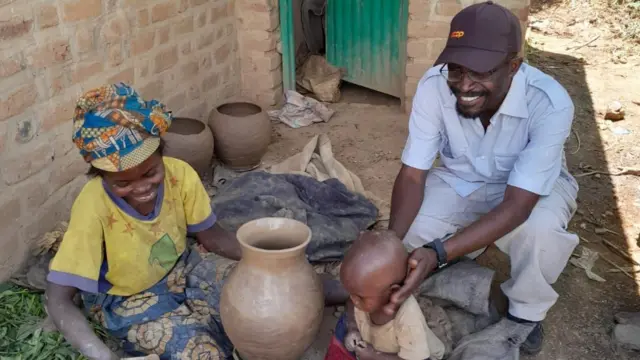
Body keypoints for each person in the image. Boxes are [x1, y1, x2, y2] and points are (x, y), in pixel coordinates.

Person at [384, 1, 579, 356]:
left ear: (514, 67)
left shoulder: (550, 103)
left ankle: (524, 314)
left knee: (541, 234)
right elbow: (413, 176)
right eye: (456, 70)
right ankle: (462, 259)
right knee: (408, 232)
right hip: (464, 179)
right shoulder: (433, 87)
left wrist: (438, 252)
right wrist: (391, 243)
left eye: (481, 72)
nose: (464, 84)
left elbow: (519, 205)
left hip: (529, 191)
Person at [45, 83, 243, 360]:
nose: (141, 188)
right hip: (124, 297)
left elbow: (211, 236)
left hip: (182, 265)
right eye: (123, 183)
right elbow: (58, 299)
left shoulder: (181, 174)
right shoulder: (92, 205)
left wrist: (267, 259)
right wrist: (100, 354)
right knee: (199, 352)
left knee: (249, 295)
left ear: (162, 153)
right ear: (100, 175)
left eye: (150, 173)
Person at [325, 230, 445, 360]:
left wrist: (374, 356)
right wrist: (353, 328)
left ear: (392, 292)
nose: (352, 300)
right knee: (344, 326)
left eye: (359, 296)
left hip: (413, 356)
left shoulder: (408, 320)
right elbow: (350, 304)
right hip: (372, 343)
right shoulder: (365, 294)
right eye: (350, 293)